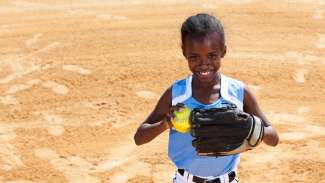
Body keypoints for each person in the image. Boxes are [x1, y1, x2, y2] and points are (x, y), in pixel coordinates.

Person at [134, 13, 279, 183]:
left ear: (223, 51)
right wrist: (167, 123)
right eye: (194, 57)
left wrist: (248, 125)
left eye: (212, 55)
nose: (204, 64)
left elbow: (273, 138)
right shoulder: (177, 93)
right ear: (184, 53)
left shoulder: (238, 92)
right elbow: (139, 138)